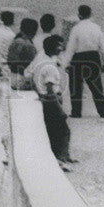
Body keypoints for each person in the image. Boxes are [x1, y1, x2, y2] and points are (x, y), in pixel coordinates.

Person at [33, 35, 75, 169]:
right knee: (63, 131)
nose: (62, 47)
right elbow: (50, 90)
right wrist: (59, 108)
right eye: (59, 45)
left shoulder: (42, 61)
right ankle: (62, 158)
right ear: (54, 48)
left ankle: (61, 157)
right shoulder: (50, 66)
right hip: (51, 100)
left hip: (46, 99)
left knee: (53, 130)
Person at [64, 4, 104, 118]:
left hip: (78, 57)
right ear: (90, 14)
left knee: (75, 86)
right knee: (96, 86)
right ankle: (103, 111)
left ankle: (76, 111)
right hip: (93, 56)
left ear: (79, 15)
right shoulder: (96, 28)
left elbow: (71, 47)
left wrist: (66, 62)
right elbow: (102, 46)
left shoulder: (76, 29)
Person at [6, 18, 39, 82]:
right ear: (34, 32)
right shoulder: (28, 45)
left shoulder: (15, 41)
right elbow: (33, 65)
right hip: (22, 79)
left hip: (12, 76)